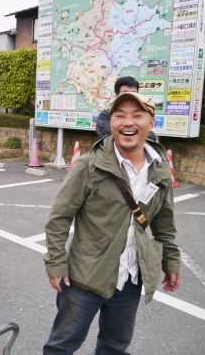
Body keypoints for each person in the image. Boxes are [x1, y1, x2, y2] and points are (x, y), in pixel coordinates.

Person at [43, 91, 181, 354]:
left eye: (137, 116)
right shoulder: (89, 166)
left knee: (115, 348)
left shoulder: (160, 168)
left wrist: (171, 261)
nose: (128, 123)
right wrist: (56, 263)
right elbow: (59, 218)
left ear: (151, 123)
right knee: (61, 347)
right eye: (120, 116)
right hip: (83, 278)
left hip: (131, 278)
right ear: (112, 122)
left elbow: (165, 223)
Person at [96, 76, 157, 141]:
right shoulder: (106, 115)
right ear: (117, 95)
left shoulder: (143, 114)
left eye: (133, 93)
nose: (128, 123)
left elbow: (151, 137)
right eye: (120, 116)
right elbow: (108, 137)